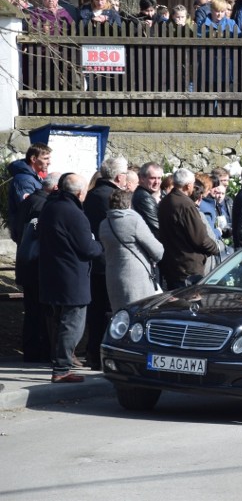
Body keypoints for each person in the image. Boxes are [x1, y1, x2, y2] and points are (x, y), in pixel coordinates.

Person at [38, 173, 103, 383]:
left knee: (60, 321)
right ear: (79, 192)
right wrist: (99, 245)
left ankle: (60, 363)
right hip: (71, 276)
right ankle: (62, 368)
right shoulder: (74, 213)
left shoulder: (50, 206)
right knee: (72, 323)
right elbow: (87, 248)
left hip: (53, 272)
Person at [83, 157, 128, 369]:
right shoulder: (112, 196)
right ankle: (103, 355)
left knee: (96, 310)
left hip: (95, 260)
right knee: (109, 311)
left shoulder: (92, 194)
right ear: (119, 177)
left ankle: (93, 353)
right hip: (109, 259)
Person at [14, 172, 60, 362]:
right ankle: (39, 350)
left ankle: (31, 350)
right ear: (56, 188)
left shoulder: (30, 200)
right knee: (40, 313)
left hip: (26, 265)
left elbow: (16, 232)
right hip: (37, 266)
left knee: (32, 311)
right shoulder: (43, 205)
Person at [99, 189, 164, 309]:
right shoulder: (134, 220)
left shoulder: (104, 224)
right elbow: (157, 251)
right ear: (129, 204)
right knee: (139, 313)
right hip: (136, 278)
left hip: (112, 276)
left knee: (120, 315)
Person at [158, 168, 220, 288]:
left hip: (173, 265)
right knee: (190, 304)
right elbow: (200, 239)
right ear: (187, 186)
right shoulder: (186, 205)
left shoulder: (166, 201)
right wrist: (216, 248)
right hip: (188, 269)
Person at [6, 143, 51, 241]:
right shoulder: (24, 180)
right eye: (45, 158)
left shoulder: (33, 178)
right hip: (28, 234)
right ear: (34, 159)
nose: (49, 162)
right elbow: (29, 208)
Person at [132, 162, 163, 237]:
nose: (157, 182)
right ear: (142, 178)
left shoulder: (145, 195)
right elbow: (156, 227)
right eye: (153, 178)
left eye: (159, 178)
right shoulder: (145, 198)